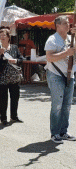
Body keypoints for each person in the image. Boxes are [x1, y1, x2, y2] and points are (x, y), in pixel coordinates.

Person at [45, 15, 76, 143]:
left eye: (68, 23)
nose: (68, 25)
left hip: (70, 74)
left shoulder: (71, 39)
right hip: (56, 75)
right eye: (65, 23)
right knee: (57, 105)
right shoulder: (52, 40)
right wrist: (66, 53)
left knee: (67, 105)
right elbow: (50, 58)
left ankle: (63, 131)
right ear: (58, 26)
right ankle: (55, 133)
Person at [0, 28, 23, 126]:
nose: (2, 37)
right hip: (2, 79)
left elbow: (21, 59)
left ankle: (14, 116)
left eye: (4, 35)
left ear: (9, 37)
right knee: (3, 99)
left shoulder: (14, 47)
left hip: (15, 78)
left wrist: (16, 61)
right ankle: (3, 118)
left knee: (15, 98)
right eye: (0, 36)